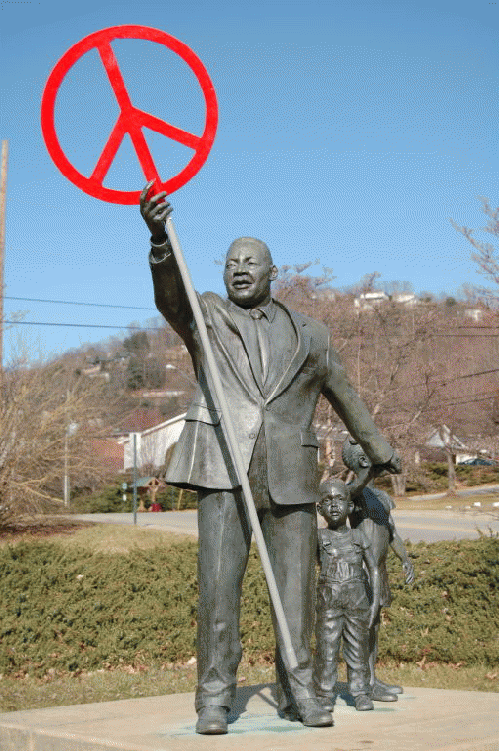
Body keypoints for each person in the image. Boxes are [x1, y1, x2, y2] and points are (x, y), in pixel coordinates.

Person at [140, 181, 402, 734]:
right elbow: (170, 296)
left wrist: (379, 450)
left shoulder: (311, 334)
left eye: (250, 262)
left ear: (271, 271)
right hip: (224, 472)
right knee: (218, 591)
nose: (239, 269)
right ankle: (214, 698)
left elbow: (346, 393)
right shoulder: (205, 317)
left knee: (297, 595)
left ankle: (300, 690)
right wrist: (160, 239)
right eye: (231, 261)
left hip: (290, 477)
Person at [342, 437, 415, 701]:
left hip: (379, 570)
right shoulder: (352, 492)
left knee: (374, 626)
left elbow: (392, 532)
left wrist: (404, 559)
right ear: (364, 461)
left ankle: (372, 678)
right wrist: (367, 471)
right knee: (362, 625)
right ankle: (361, 682)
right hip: (362, 569)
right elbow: (357, 487)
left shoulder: (381, 496)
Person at [314, 479, 380, 712]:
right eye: (327, 501)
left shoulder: (359, 536)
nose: (334, 505)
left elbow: (373, 569)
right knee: (327, 649)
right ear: (319, 509)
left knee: (358, 649)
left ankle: (361, 692)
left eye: (340, 499)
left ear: (350, 507)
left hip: (358, 600)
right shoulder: (318, 537)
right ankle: (323, 694)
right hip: (328, 602)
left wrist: (375, 604)